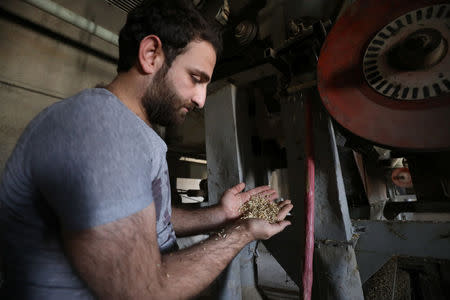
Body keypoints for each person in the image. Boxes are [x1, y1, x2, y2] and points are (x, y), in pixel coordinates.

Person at [0, 0, 293, 299]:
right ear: (151, 54)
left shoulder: (129, 128)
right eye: (195, 78)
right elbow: (142, 291)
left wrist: (221, 214)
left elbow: (145, 220)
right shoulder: (103, 129)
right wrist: (243, 232)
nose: (201, 99)